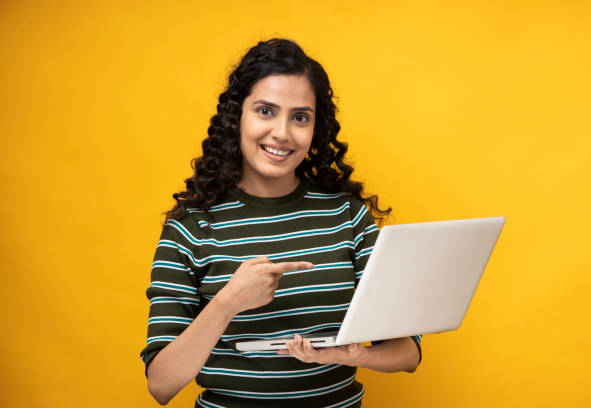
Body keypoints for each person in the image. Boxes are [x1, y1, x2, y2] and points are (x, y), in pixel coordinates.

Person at [140, 38, 422, 408]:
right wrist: (227, 303)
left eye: (300, 117)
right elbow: (161, 384)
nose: (283, 133)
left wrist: (351, 355)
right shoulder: (189, 228)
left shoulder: (347, 215)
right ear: (236, 116)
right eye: (265, 111)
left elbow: (408, 352)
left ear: (315, 128)